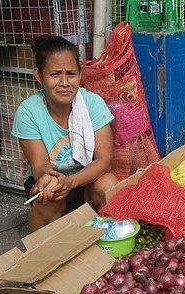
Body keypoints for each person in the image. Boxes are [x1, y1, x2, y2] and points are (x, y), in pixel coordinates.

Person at [12, 35, 118, 233]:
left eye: (71, 73)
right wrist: (46, 180)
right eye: (54, 74)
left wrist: (71, 182)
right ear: (38, 75)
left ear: (80, 74)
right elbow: (40, 165)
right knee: (49, 191)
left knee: (108, 184)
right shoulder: (28, 112)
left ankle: (105, 242)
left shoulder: (92, 104)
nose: (64, 82)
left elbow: (104, 160)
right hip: (51, 177)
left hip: (85, 179)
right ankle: (42, 249)